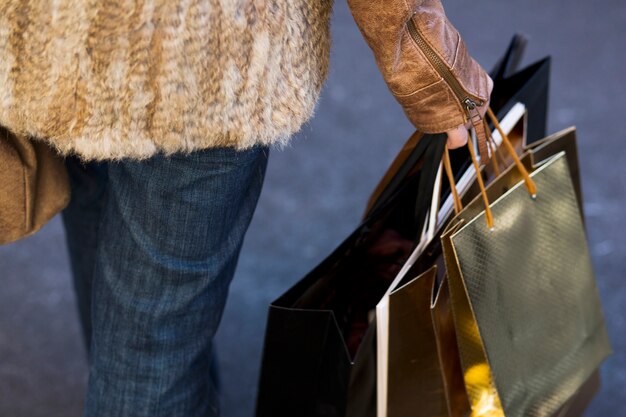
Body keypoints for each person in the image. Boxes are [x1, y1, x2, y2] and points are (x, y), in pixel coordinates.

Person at [0, 0, 492, 415]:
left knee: (108, 248)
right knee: (153, 345)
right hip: (204, 66)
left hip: (58, 49)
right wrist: (439, 80)